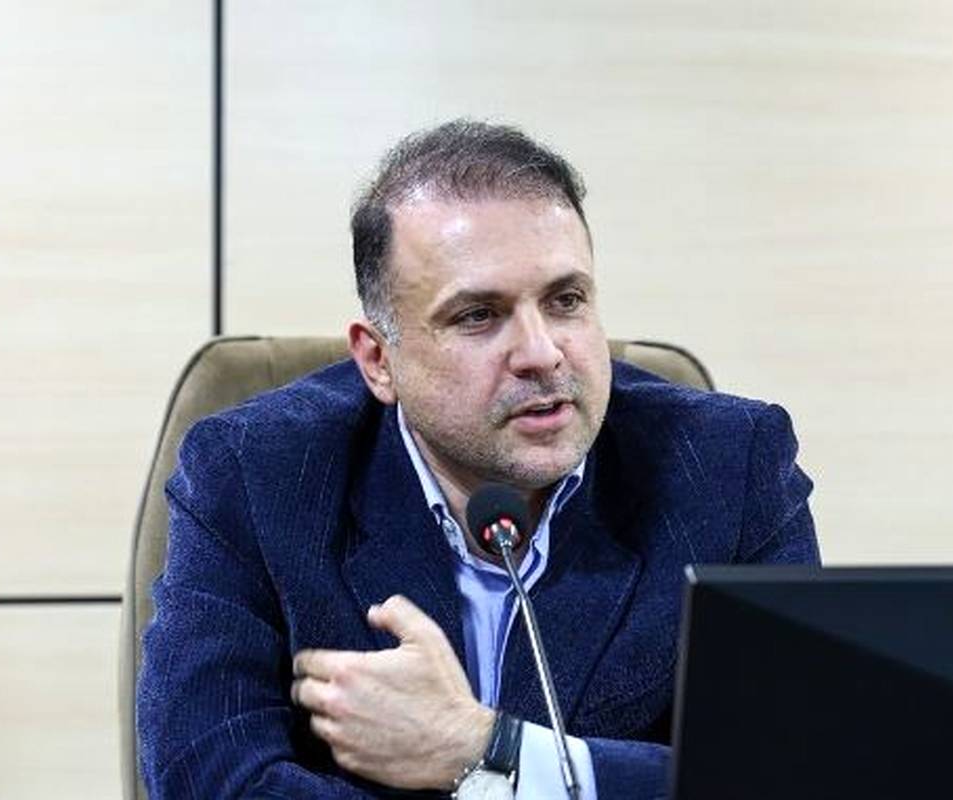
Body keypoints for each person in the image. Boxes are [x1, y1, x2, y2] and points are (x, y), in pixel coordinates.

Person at [136, 120, 819, 799]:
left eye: (566, 301)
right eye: (478, 316)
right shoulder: (255, 474)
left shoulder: (728, 467)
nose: (541, 354)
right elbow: (207, 779)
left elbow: (804, 771)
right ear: (379, 361)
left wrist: (489, 751)